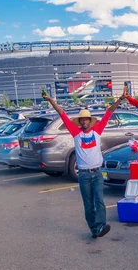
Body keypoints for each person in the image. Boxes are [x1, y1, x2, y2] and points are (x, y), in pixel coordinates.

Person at [44, 91, 127, 238]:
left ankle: (100, 226)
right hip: (83, 174)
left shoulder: (97, 130)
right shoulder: (75, 132)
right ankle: (94, 229)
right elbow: (62, 113)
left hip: (97, 173)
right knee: (88, 205)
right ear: (80, 122)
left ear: (90, 120)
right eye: (81, 120)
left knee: (99, 201)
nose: (84, 122)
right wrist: (50, 100)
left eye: (86, 120)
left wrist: (120, 99)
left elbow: (109, 112)